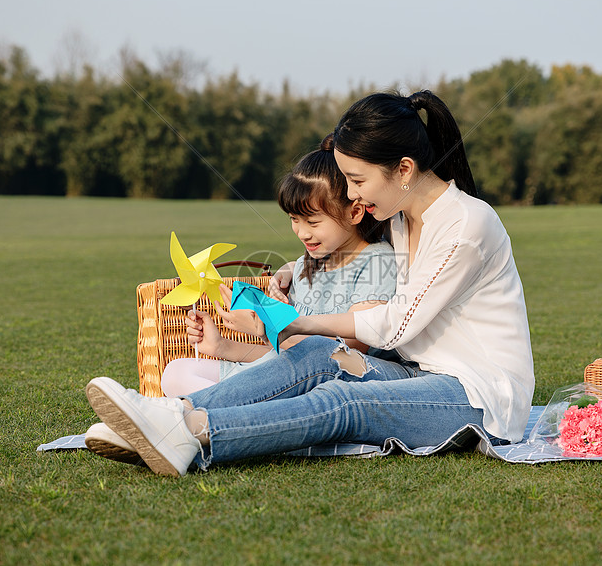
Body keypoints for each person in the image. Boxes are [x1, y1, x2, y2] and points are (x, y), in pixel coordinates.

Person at [85, 90, 534, 477]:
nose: (352, 194)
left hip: (479, 396)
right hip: (418, 373)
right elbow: (337, 248)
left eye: (357, 180)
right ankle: (171, 413)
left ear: (403, 169)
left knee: (344, 402)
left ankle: (193, 433)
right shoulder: (399, 218)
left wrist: (301, 322)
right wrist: (287, 273)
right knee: (318, 356)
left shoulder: (465, 225)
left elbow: (399, 324)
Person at [84, 136, 397, 462]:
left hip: (338, 379)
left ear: (356, 211)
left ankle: (169, 422)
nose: (302, 233)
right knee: (175, 372)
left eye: (313, 221)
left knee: (298, 378)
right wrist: (225, 347)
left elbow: (341, 352)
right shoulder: (308, 262)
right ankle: (179, 421)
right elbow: (286, 360)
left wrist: (267, 329)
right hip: (284, 374)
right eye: (294, 220)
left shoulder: (377, 262)